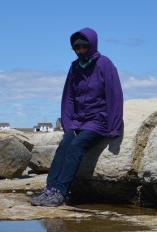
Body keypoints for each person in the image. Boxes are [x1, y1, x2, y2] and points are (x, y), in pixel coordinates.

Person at [30, 27, 123, 207]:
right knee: (64, 145)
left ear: (91, 45)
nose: (80, 50)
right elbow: (69, 96)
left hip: (98, 120)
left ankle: (61, 191)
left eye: (84, 47)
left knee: (75, 146)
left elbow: (114, 94)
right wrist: (68, 125)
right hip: (78, 120)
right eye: (76, 48)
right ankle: (49, 189)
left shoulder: (105, 64)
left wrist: (113, 126)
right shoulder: (74, 67)